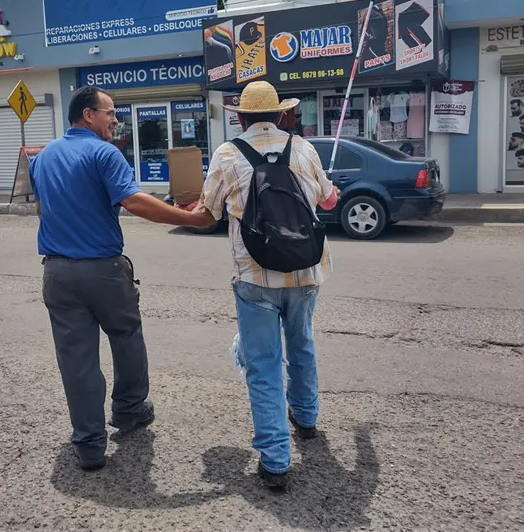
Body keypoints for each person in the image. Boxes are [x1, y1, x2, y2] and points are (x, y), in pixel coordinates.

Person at [29, 85, 208, 471]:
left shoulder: (42, 157)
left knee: (76, 359)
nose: (115, 119)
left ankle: (90, 444)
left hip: (57, 272)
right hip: (103, 270)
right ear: (87, 115)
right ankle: (128, 411)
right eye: (109, 112)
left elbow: (45, 207)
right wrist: (191, 218)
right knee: (126, 337)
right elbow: (133, 200)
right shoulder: (103, 152)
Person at [188, 81, 339, 490]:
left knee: (263, 363)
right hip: (307, 270)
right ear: (281, 114)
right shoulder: (304, 149)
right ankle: (306, 418)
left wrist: (188, 212)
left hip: (254, 273)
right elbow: (328, 201)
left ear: (240, 117)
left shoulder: (227, 154)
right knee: (302, 342)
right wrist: (329, 191)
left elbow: (209, 212)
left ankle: (275, 461)